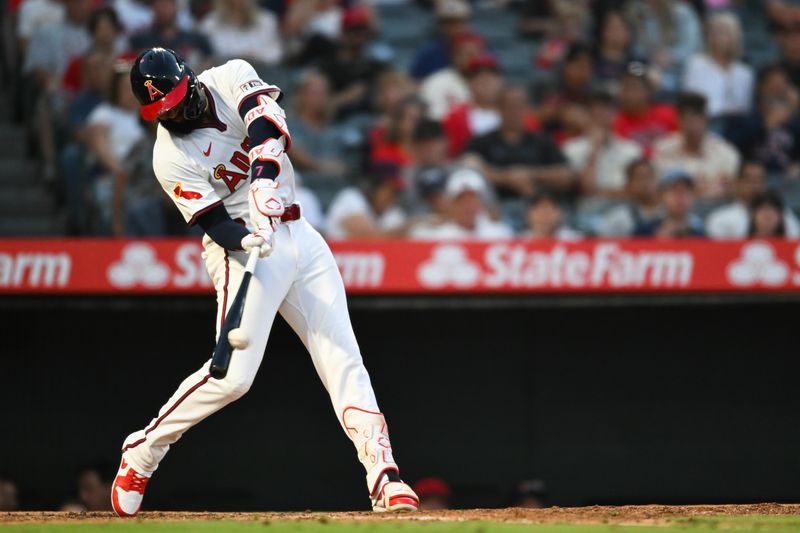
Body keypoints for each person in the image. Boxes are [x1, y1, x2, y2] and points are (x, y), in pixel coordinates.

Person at [111, 48, 419, 516]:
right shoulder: (168, 156)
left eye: (175, 99)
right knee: (232, 378)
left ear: (190, 81)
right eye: (161, 109)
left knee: (341, 354)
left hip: (300, 234)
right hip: (246, 249)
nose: (172, 112)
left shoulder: (229, 76)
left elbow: (267, 125)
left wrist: (262, 179)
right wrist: (248, 234)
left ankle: (384, 474)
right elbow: (214, 223)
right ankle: (144, 449)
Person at [464, 85, 573, 200]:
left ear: (526, 108)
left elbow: (566, 175)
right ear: (499, 108)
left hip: (535, 205)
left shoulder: (541, 141)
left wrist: (531, 174)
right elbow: (468, 164)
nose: (513, 111)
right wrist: (505, 177)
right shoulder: (483, 141)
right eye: (509, 106)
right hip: (495, 206)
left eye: (518, 106)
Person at [84, 66, 148, 235]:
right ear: (116, 90)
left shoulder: (147, 119)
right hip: (115, 175)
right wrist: (119, 170)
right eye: (126, 88)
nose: (131, 93)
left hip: (145, 178)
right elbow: (100, 146)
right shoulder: (104, 113)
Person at [652, 92, 739, 200]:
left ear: (706, 120)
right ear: (678, 120)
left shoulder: (726, 152)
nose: (691, 125)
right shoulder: (662, 149)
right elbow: (658, 189)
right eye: (686, 118)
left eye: (696, 118)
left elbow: (731, 190)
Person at [563, 90, 642, 199]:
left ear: (615, 114)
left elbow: (637, 191)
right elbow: (586, 188)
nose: (600, 116)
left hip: (625, 209)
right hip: (586, 211)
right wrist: (594, 149)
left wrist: (598, 192)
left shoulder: (632, 150)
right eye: (594, 111)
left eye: (605, 110)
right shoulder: (571, 148)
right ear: (586, 115)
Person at [317, 6, 389, 121]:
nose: (357, 37)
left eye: (361, 32)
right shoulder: (328, 68)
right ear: (343, 34)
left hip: (372, 123)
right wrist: (346, 97)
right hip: (335, 125)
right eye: (352, 31)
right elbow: (316, 107)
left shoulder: (374, 67)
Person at [681, 12, 753, 120]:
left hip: (736, 124)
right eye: (714, 32)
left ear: (735, 36)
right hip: (706, 121)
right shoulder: (696, 65)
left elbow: (745, 107)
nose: (718, 37)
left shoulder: (745, 73)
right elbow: (690, 103)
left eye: (724, 32)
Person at [410, 168, 513, 240]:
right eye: (461, 200)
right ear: (451, 204)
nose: (468, 206)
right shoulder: (439, 237)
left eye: (473, 199)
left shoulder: (500, 234)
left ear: (482, 203)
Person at [706, 161, 800, 238]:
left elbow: (794, 247)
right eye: (749, 180)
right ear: (737, 183)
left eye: (759, 180)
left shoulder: (784, 216)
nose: (755, 186)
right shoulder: (721, 219)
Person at [626, 0, 702, 92]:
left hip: (680, 71)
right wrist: (649, 66)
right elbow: (635, 50)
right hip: (645, 67)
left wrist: (669, 57)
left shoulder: (682, 12)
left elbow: (691, 47)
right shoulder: (635, 11)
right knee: (635, 71)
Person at [442, 53, 505, 157]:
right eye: (478, 75)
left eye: (492, 74)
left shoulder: (517, 113)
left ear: (501, 80)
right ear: (468, 82)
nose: (486, 79)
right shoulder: (455, 117)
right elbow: (449, 155)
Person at [326, 161, 409, 240]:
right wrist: (408, 226)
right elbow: (366, 237)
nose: (394, 195)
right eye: (390, 189)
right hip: (336, 253)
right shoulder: (350, 198)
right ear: (374, 188)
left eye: (397, 190)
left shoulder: (393, 212)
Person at [287, 70, 346, 179]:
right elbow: (295, 152)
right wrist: (321, 166)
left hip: (330, 184)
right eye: (314, 93)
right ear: (301, 95)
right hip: (299, 183)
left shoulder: (333, 129)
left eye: (323, 93)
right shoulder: (290, 125)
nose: (320, 98)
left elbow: (339, 164)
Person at [613, 63, 678, 155]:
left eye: (634, 87)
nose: (629, 93)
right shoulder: (615, 122)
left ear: (648, 91)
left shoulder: (668, 113)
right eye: (625, 87)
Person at [419, 31, 484, 120]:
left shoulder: (488, 83)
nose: (473, 58)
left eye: (476, 54)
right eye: (467, 54)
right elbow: (434, 119)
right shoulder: (437, 82)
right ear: (454, 55)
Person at [128, 0, 213, 66]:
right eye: (159, 5)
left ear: (176, 7)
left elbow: (209, 63)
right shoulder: (139, 42)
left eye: (167, 5)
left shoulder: (197, 40)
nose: (163, 11)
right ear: (153, 9)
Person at [199, 0, 282, 66]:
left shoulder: (267, 21)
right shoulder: (210, 24)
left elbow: (276, 53)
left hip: (261, 77)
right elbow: (203, 58)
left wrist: (254, 56)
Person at [598, 158, 665, 237]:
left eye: (649, 176)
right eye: (639, 178)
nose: (645, 183)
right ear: (629, 184)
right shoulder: (618, 217)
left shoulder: (671, 212)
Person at [410, 0, 472, 80]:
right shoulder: (428, 53)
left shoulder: (478, 48)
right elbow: (414, 80)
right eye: (447, 22)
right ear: (439, 25)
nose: (453, 28)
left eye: (458, 22)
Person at [634, 169, 705, 238]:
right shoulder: (644, 231)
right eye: (674, 190)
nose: (681, 196)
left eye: (686, 191)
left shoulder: (701, 232)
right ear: (661, 195)